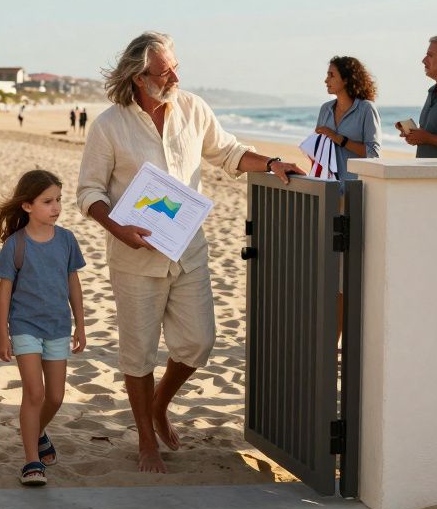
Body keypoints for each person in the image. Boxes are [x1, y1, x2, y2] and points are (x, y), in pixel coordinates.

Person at [77, 31, 301, 473]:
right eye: (165, 71)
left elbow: (229, 153)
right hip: (135, 258)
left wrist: (273, 164)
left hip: (189, 251)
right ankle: (146, 439)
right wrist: (116, 227)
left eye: (176, 66)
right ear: (140, 78)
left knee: (200, 341)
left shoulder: (193, 108)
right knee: (138, 353)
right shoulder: (108, 125)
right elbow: (89, 191)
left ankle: (160, 405)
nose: (176, 76)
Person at [0, 170, 86, 487]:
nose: (56, 207)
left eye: (58, 200)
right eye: (48, 201)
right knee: (35, 393)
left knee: (55, 397)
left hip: (58, 327)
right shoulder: (16, 245)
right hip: (24, 326)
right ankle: (31, 461)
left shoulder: (67, 240)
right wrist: (3, 333)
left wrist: (81, 325)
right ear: (28, 206)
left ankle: (38, 429)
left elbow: (73, 283)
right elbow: (4, 292)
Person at [315, 56, 381, 181]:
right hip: (327, 185)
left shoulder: (366, 109)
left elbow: (373, 153)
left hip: (355, 186)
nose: (326, 80)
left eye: (331, 75)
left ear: (346, 80)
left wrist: (338, 138)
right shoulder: (325, 109)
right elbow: (317, 150)